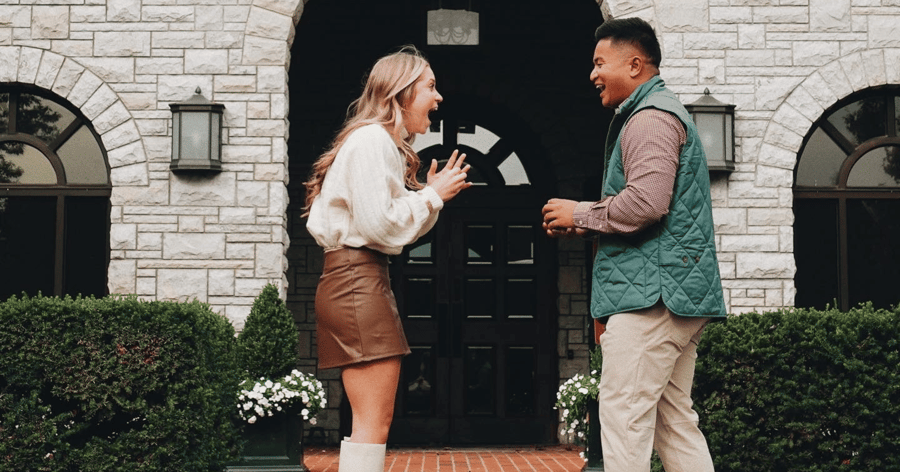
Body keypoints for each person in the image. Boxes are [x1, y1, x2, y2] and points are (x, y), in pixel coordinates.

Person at [542, 17, 727, 472]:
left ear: (636, 64)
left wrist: (581, 212)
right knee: (673, 422)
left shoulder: (650, 118)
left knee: (624, 418)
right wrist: (588, 224)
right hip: (667, 294)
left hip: (652, 298)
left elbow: (646, 203)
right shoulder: (655, 114)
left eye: (600, 62)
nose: (593, 74)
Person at [303, 46, 471, 471]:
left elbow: (393, 228)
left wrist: (429, 200)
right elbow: (381, 228)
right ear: (400, 94)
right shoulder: (372, 140)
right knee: (373, 423)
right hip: (357, 281)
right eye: (430, 87)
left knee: (373, 421)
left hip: (361, 278)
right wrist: (432, 196)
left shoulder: (377, 143)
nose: (438, 98)